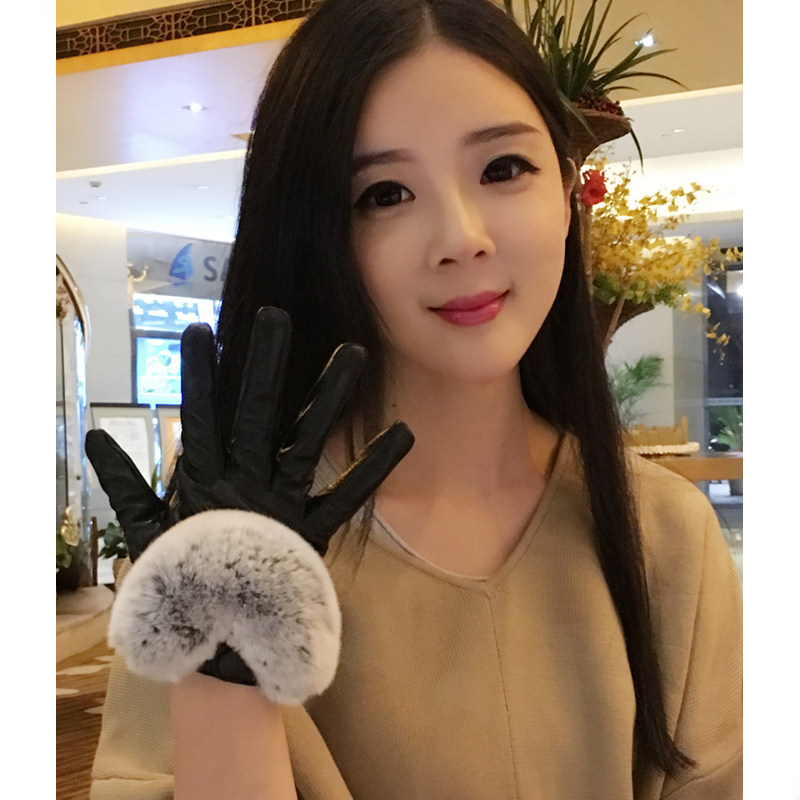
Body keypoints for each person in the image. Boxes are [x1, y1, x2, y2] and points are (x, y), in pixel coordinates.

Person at [87, 0, 743, 797]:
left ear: (569, 193)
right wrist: (224, 661)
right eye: (385, 194)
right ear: (317, 233)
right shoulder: (224, 545)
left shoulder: (663, 537)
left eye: (503, 169)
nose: (462, 236)